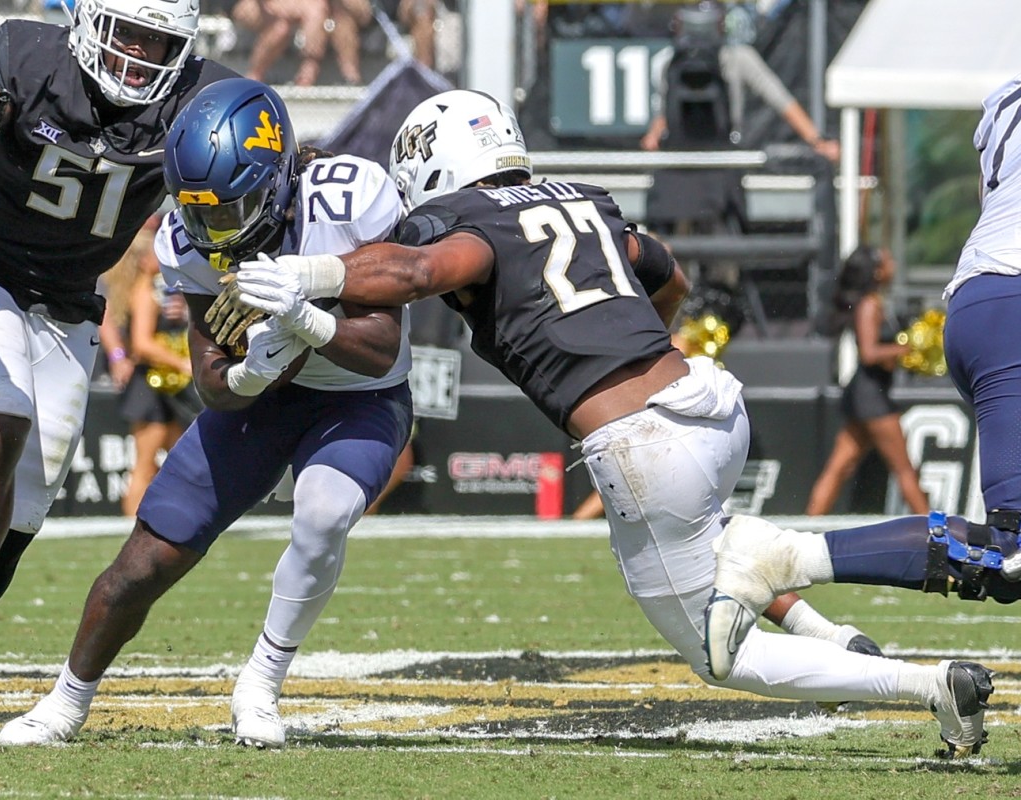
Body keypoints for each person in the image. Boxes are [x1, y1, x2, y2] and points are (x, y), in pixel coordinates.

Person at [229, 88, 994, 758]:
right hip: (708, 401)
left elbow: (421, 271)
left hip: (646, 448)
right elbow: (670, 274)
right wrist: (635, 350)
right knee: (714, 537)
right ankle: (828, 626)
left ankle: (928, 684)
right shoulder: (581, 196)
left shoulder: (463, 221)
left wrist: (313, 272)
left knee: (717, 654)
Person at [0, 78, 412, 749]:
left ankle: (260, 683)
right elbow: (211, 384)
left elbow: (382, 346)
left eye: (233, 208)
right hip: (263, 403)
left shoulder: (348, 196)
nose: (217, 229)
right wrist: (250, 371)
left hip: (358, 399)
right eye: (204, 213)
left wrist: (305, 318)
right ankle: (65, 701)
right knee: (142, 562)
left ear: (276, 181)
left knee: (324, 510)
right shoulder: (189, 239)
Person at [0, 0, 239, 734]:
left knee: (28, 508)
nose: (138, 54)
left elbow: (253, 156)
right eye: (127, 32)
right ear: (89, 25)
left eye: (157, 40)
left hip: (68, 306)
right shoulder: (30, 56)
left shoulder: (200, 94)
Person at [705, 72, 1021, 754]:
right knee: (1016, 551)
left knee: (1004, 563)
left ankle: (789, 555)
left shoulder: (1003, 98)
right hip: (1012, 306)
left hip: (984, 300)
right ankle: (783, 555)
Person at [806, 246, 928, 516]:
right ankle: (936, 535)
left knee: (841, 466)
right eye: (888, 260)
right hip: (872, 397)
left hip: (867, 393)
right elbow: (869, 352)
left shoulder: (874, 301)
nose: (893, 265)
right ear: (876, 271)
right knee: (905, 470)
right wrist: (908, 349)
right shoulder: (869, 304)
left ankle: (807, 527)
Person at [640, 1, 837, 160]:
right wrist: (818, 141)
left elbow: (781, 101)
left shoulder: (678, 61)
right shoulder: (679, 62)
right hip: (705, 160)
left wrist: (817, 141)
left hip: (706, 159)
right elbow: (782, 100)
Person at [117, 224, 202, 517]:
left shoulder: (166, 289)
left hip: (173, 387)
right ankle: (129, 524)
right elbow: (141, 344)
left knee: (178, 460)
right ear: (143, 259)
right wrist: (180, 362)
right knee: (144, 462)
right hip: (149, 386)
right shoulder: (144, 291)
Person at [232, 0, 329, 86]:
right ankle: (254, 76)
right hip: (251, 4)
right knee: (280, 28)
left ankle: (307, 74)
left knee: (317, 9)